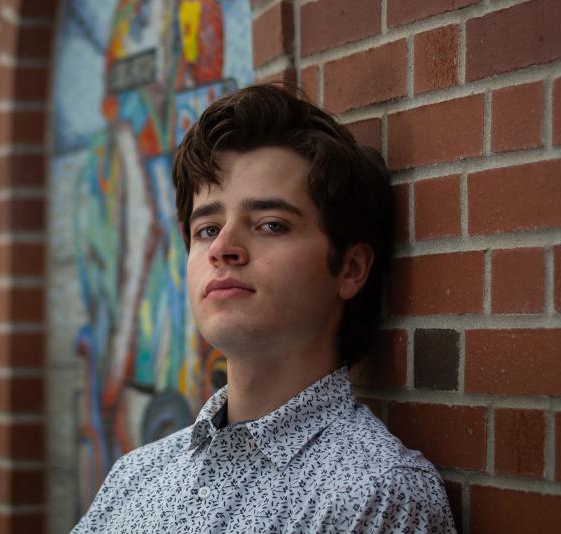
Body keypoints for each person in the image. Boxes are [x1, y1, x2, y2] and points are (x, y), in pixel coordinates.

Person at [71, 84, 456, 533]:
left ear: (350, 268)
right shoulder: (135, 477)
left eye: (271, 224)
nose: (223, 248)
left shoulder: (376, 493)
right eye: (207, 228)